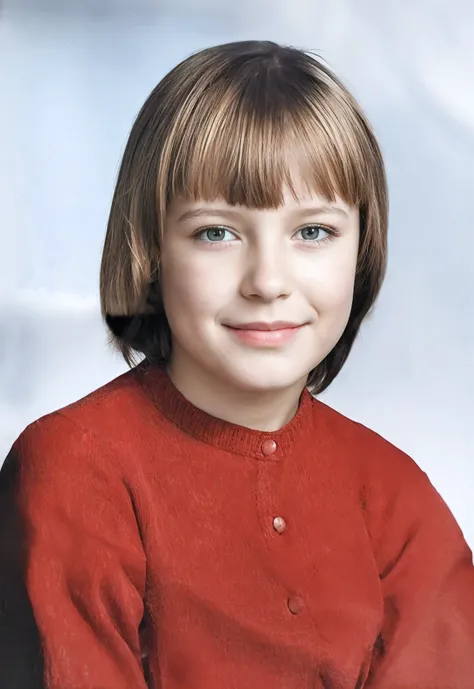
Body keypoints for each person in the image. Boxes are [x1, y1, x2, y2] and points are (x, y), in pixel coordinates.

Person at [0, 40, 473, 689]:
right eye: (216, 232)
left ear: (361, 249)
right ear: (150, 248)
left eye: (313, 232)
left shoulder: (397, 497)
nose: (268, 281)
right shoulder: (72, 467)